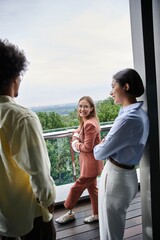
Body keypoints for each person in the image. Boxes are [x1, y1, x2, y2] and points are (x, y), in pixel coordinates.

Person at [0, 39, 56, 240]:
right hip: (30, 216)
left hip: (4, 218)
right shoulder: (21, 117)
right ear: (14, 76)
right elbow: (38, 170)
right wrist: (48, 199)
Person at [93, 68, 149, 240]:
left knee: (110, 232)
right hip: (126, 174)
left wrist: (100, 145)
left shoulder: (128, 118)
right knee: (113, 226)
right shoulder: (139, 113)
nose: (110, 92)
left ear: (125, 87)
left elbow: (100, 153)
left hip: (116, 178)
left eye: (113, 87)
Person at [55, 96, 104, 224]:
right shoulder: (89, 120)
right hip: (92, 163)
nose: (82, 109)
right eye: (80, 106)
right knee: (93, 190)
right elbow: (79, 129)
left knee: (75, 188)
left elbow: (87, 147)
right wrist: (76, 134)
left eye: (86, 106)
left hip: (90, 165)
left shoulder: (89, 124)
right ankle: (97, 214)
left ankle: (69, 211)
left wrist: (75, 144)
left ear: (92, 108)